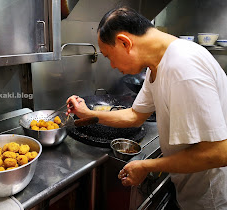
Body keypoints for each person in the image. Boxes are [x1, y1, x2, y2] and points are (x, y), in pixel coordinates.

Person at [66, 6, 227, 210]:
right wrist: (88, 114)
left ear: (125, 42)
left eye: (108, 56)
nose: (112, 66)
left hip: (212, 200)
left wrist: (146, 166)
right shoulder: (158, 64)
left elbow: (219, 153)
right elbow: (135, 115)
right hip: (190, 191)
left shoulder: (183, 67)